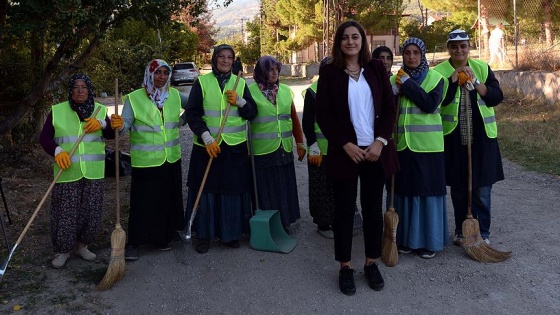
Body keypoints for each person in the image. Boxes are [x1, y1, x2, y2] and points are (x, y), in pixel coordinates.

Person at [315, 20, 398, 296]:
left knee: (373, 210)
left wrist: (380, 141)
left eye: (355, 37)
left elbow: (389, 108)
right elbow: (323, 115)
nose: (350, 42)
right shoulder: (329, 73)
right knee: (345, 212)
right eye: (345, 38)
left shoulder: (376, 69)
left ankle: (371, 263)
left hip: (374, 152)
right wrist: (344, 144)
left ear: (363, 41)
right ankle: (345, 266)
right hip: (346, 153)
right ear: (339, 43)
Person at [183, 44, 257, 254]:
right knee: (206, 190)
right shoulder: (202, 82)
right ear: (214, 59)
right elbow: (192, 113)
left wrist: (241, 102)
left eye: (229, 57)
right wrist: (206, 137)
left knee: (231, 191)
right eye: (222, 57)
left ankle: (230, 234)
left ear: (233, 61)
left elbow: (252, 113)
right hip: (208, 147)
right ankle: (204, 235)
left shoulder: (240, 83)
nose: (225, 60)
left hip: (234, 148)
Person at [434, 29, 504, 246]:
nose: (459, 50)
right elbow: (438, 102)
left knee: (482, 189)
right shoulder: (439, 72)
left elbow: (496, 97)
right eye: (454, 46)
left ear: (469, 47)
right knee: (459, 188)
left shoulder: (481, 68)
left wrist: (477, 84)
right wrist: (453, 81)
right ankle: (460, 229)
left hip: (481, 139)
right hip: (454, 139)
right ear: (448, 49)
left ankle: (482, 232)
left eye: (463, 46)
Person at [112, 59, 187, 261]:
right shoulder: (134, 98)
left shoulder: (174, 96)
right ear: (149, 74)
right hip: (146, 162)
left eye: (165, 72)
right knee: (142, 203)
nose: (161, 77)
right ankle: (134, 243)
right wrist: (117, 125)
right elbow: (125, 125)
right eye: (157, 72)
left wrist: (182, 120)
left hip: (170, 159)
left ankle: (162, 238)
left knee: (166, 200)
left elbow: (194, 106)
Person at [39, 73, 116, 268]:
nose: (80, 91)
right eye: (76, 87)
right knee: (66, 212)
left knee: (91, 211)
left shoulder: (98, 110)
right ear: (70, 90)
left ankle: (82, 245)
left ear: (89, 90)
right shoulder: (58, 111)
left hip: (93, 171)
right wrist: (57, 152)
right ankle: (63, 250)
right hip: (67, 171)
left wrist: (104, 123)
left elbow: (110, 134)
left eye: (84, 87)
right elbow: (45, 138)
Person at [390, 38, 449, 259]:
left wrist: (407, 85)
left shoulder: (437, 79)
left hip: (429, 148)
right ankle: (406, 239)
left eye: (416, 52)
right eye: (407, 53)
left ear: (423, 55)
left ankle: (429, 241)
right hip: (402, 145)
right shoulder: (393, 79)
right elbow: (386, 108)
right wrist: (394, 91)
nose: (411, 57)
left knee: (427, 193)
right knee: (404, 192)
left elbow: (429, 104)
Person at [249, 55, 306, 233]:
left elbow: (293, 119)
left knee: (283, 186)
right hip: (262, 150)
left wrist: (300, 142)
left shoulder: (285, 91)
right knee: (265, 189)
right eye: (269, 70)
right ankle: (267, 225)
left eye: (276, 70)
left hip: (284, 147)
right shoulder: (249, 91)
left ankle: (284, 222)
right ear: (261, 72)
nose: (274, 73)